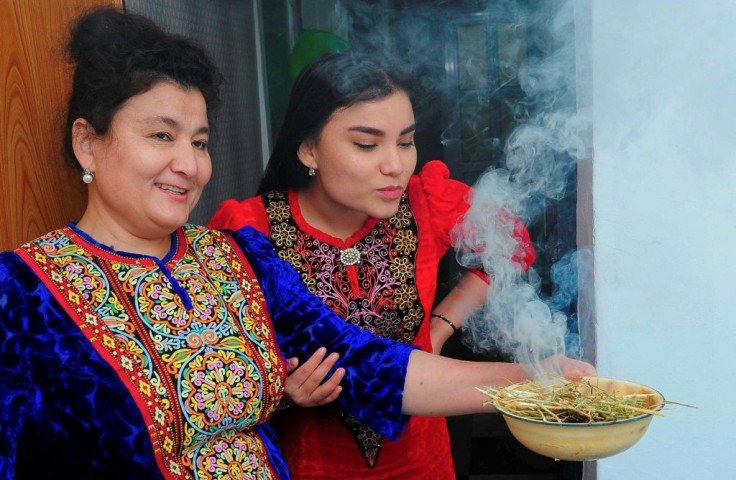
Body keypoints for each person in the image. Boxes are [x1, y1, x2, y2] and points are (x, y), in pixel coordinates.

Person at [0, 8, 596, 479]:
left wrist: (533, 380)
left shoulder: (234, 259)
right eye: (162, 135)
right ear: (88, 143)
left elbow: (370, 364)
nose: (188, 164)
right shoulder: (19, 291)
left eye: (201, 142)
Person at [208, 52, 551, 479]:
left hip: (422, 462)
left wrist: (439, 327)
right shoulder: (250, 231)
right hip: (308, 466)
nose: (395, 165)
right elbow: (217, 374)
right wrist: (282, 393)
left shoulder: (429, 204)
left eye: (405, 142)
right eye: (367, 144)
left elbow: (511, 247)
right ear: (309, 150)